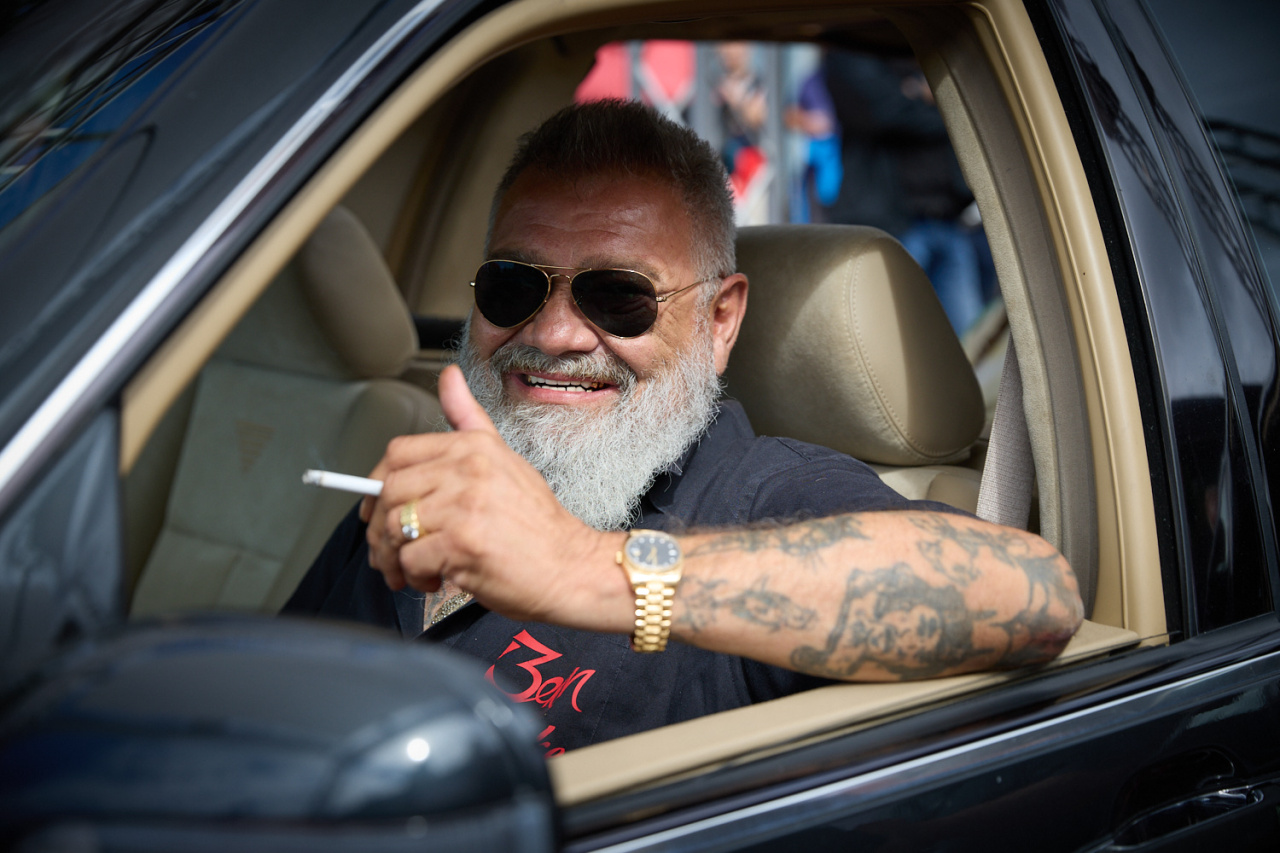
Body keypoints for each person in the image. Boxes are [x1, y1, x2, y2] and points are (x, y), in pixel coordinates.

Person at [284, 99, 1082, 755]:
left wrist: (585, 570)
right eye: (514, 285)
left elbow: (1029, 593)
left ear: (720, 320)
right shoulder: (433, 486)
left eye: (618, 296)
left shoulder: (756, 495)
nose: (553, 334)